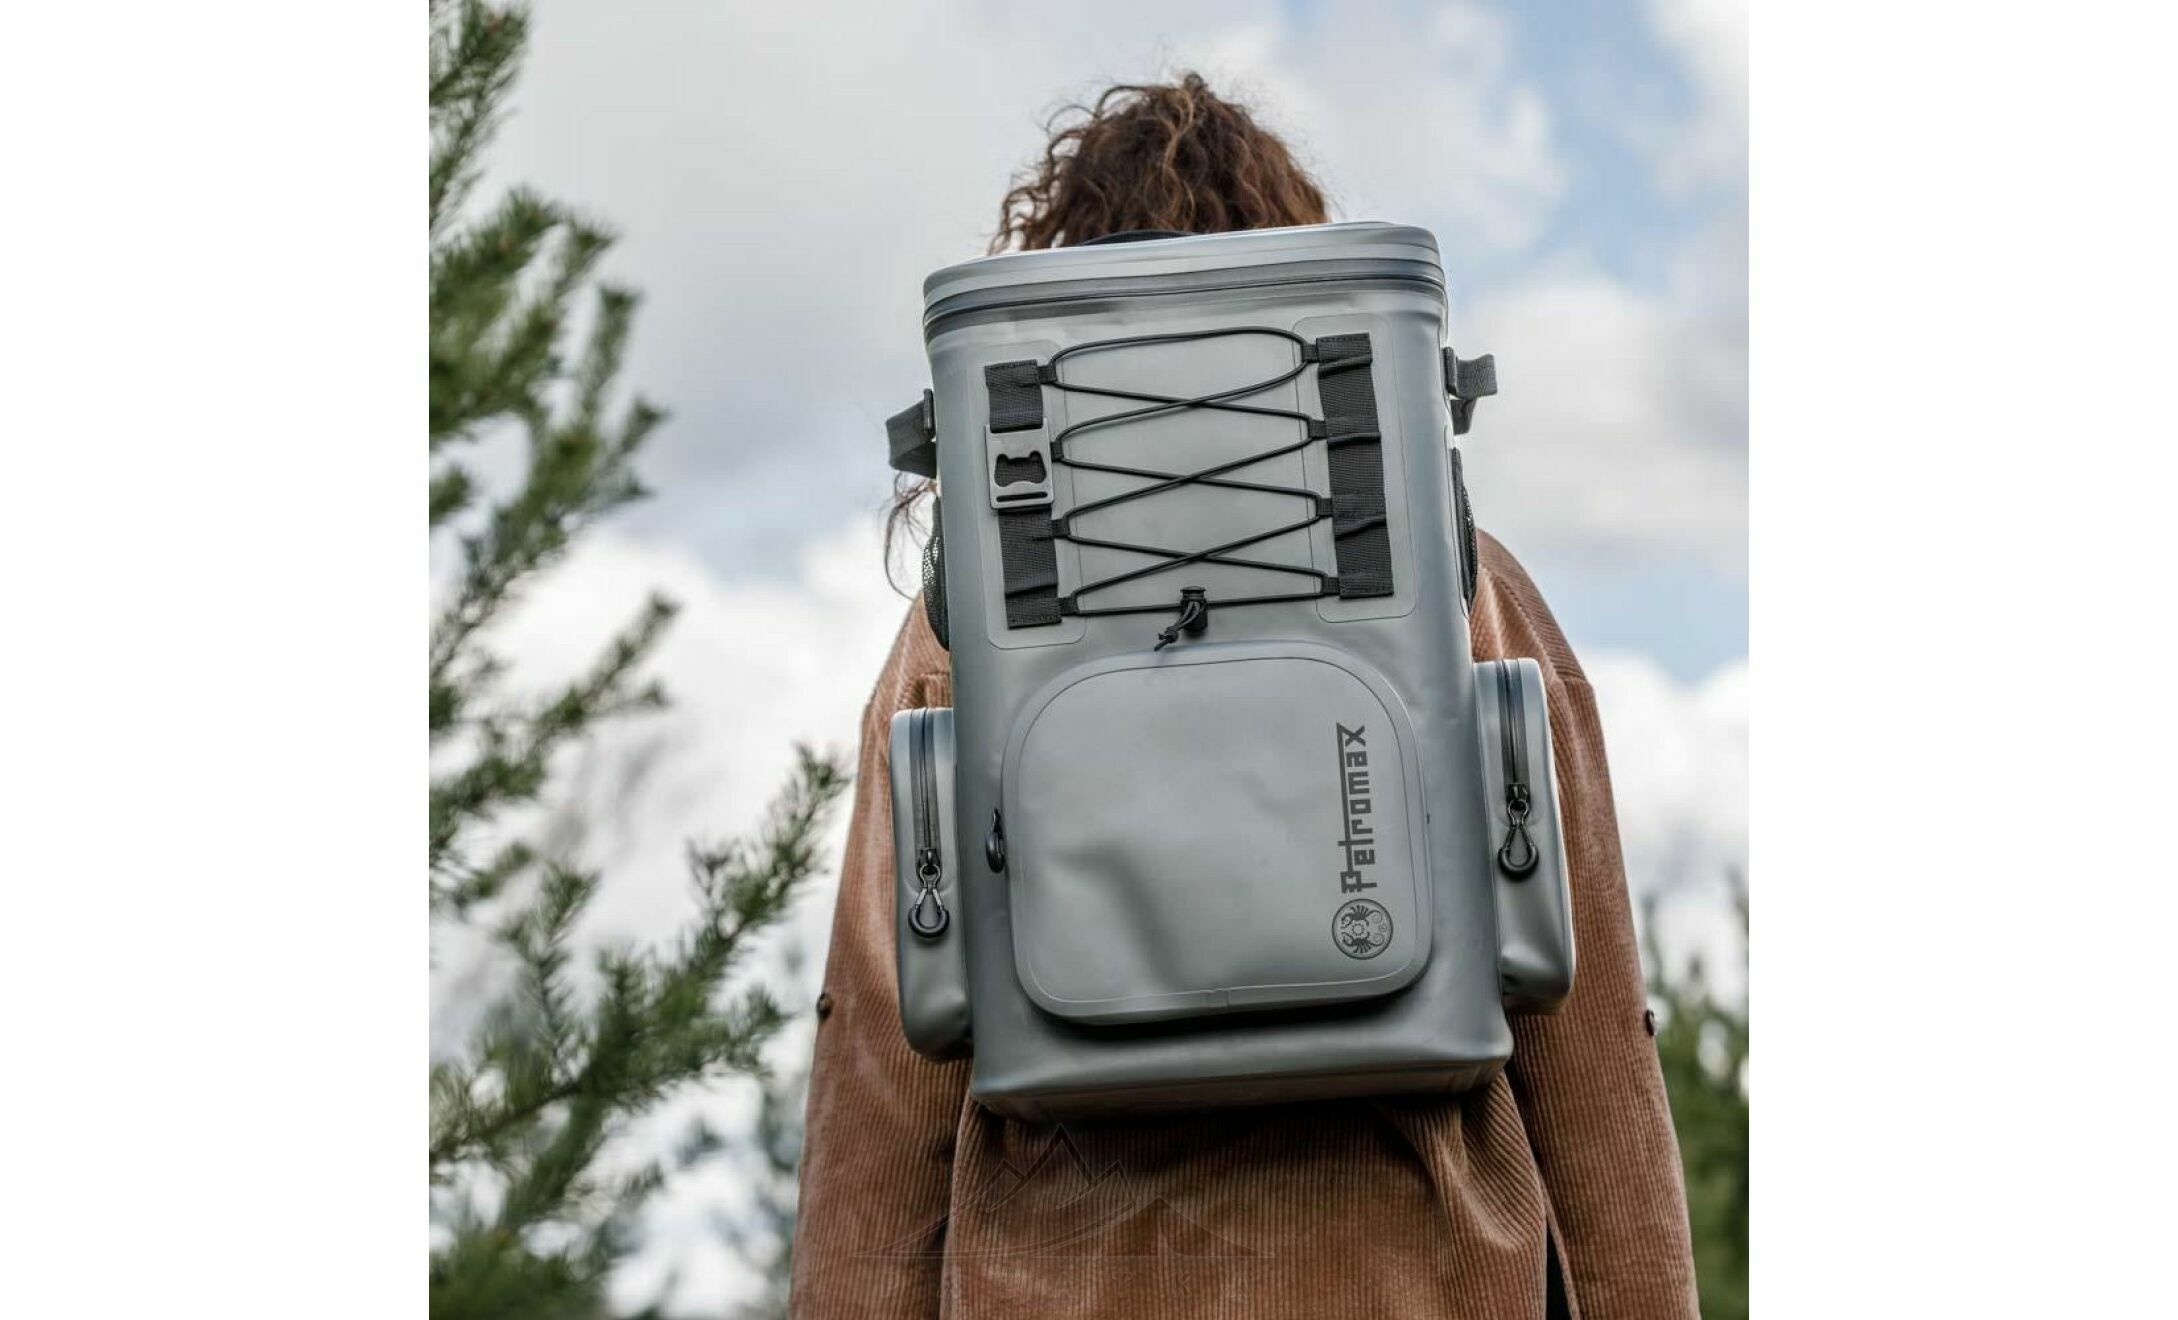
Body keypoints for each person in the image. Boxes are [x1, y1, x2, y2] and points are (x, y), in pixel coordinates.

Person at [791, 73, 1698, 1320]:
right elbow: (1589, 1037)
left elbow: (882, 1065)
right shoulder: (1464, 590)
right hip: (1418, 1274)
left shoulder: (962, 638)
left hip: (1068, 1285)